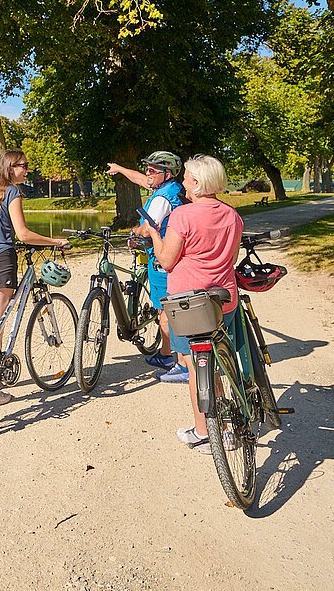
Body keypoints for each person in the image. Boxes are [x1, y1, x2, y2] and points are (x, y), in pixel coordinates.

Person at [133, 154, 244, 455]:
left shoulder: (184, 216)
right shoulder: (233, 215)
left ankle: (204, 431)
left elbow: (167, 261)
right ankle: (230, 427)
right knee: (220, 362)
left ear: (196, 183)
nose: (183, 183)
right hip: (223, 299)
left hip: (189, 303)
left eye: (187, 179)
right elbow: (230, 259)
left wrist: (155, 234)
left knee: (198, 367)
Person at [0, 149, 70, 406]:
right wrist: (55, 241)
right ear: (11, 168)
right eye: (24, 166)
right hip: (1, 262)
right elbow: (23, 234)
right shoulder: (12, 192)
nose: (27, 170)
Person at [107, 150, 187, 380]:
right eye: (147, 168)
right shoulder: (170, 188)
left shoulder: (162, 199)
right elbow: (141, 179)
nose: (147, 173)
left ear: (168, 173)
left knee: (166, 308)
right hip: (169, 253)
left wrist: (133, 234)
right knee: (167, 307)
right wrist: (120, 169)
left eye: (153, 170)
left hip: (163, 256)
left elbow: (147, 227)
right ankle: (165, 353)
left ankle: (179, 363)